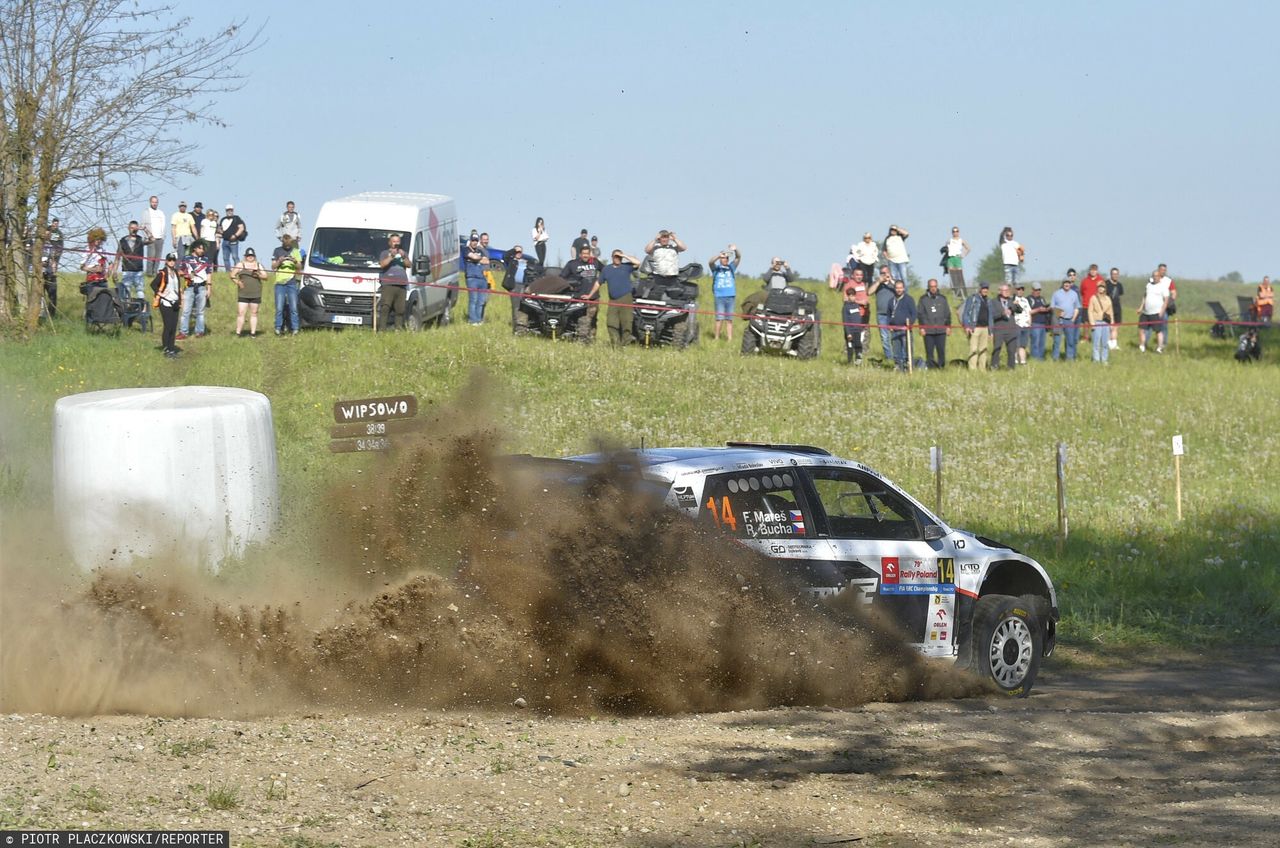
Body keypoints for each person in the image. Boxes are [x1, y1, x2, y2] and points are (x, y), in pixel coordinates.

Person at [561, 244, 604, 341]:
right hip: (577, 297)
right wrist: (570, 285)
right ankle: (579, 338)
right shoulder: (572, 264)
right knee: (580, 319)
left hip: (593, 298)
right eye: (583, 254)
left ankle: (591, 339)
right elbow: (562, 277)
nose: (585, 255)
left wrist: (601, 280)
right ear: (580, 254)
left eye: (587, 254)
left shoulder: (595, 262)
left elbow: (606, 272)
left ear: (590, 254)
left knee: (592, 320)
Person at [601, 249, 641, 345]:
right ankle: (615, 343)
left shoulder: (626, 267)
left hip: (626, 298)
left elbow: (638, 262)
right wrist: (589, 295)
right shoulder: (607, 269)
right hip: (613, 300)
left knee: (627, 323)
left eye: (619, 257)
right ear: (612, 257)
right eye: (616, 256)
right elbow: (598, 282)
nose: (618, 258)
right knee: (611, 323)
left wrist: (624, 255)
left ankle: (625, 344)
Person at [177, 240, 211, 339]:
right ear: (194, 248)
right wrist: (186, 274)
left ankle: (199, 331)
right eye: (200, 248)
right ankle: (183, 332)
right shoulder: (186, 258)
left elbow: (209, 274)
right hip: (189, 287)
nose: (202, 250)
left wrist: (209, 288)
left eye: (203, 248)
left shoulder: (206, 260)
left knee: (200, 311)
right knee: (186, 311)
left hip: (201, 287)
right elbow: (179, 272)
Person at [375, 233, 411, 329]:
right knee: (385, 307)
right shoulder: (385, 253)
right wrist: (391, 256)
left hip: (402, 284)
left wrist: (403, 256)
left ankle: (398, 330)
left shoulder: (403, 253)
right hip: (388, 284)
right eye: (394, 241)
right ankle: (382, 330)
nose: (396, 243)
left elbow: (409, 265)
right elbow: (382, 264)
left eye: (398, 242)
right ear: (389, 243)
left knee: (400, 309)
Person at [231, 248, 267, 337]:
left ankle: (253, 333)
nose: (250, 257)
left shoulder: (258, 265)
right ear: (245, 256)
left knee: (254, 313)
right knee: (241, 312)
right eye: (248, 256)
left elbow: (266, 277)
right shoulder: (240, 264)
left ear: (254, 256)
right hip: (243, 293)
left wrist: (258, 274)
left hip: (256, 293)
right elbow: (232, 275)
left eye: (252, 256)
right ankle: (238, 332)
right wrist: (238, 282)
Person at [152, 253, 182, 358]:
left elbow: (178, 287)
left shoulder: (176, 273)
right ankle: (166, 348)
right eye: (170, 260)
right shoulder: (162, 273)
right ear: (166, 261)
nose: (172, 262)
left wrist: (180, 300)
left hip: (175, 302)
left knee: (174, 327)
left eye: (173, 260)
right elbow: (153, 284)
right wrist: (160, 294)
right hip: (165, 302)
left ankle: (171, 348)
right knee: (168, 326)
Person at [272, 233, 302, 335]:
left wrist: (294, 261)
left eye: (289, 243)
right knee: (279, 307)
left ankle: (295, 328)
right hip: (280, 282)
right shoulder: (277, 250)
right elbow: (273, 266)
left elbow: (299, 267)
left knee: (293, 307)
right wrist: (279, 261)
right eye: (286, 243)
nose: (288, 245)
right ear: (283, 242)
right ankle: (278, 327)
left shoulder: (296, 251)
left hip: (292, 282)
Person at [917, 278, 951, 369]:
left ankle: (941, 368)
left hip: (941, 330)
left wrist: (948, 327)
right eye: (931, 286)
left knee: (941, 351)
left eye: (935, 286)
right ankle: (931, 368)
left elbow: (947, 313)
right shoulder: (923, 299)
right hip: (928, 331)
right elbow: (920, 314)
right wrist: (922, 328)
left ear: (937, 286)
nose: (933, 288)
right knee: (929, 352)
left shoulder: (943, 299)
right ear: (928, 287)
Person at [110, 220, 148, 301]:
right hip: (127, 270)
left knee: (140, 291)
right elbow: (118, 257)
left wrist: (145, 229)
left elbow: (152, 239)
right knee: (126, 291)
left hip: (138, 270)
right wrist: (115, 270)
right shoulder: (123, 241)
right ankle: (126, 308)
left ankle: (142, 308)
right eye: (132, 228)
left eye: (135, 228)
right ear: (128, 228)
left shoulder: (140, 240)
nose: (134, 230)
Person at [709, 246, 741, 341]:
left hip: (730, 296)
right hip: (719, 296)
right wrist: (719, 256)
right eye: (723, 258)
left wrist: (735, 250)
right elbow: (710, 262)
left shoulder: (731, 267)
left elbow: (738, 257)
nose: (725, 259)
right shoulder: (716, 269)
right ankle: (716, 338)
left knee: (729, 319)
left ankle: (730, 339)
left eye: (726, 258)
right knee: (719, 318)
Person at [961, 282, 993, 371]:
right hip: (974, 328)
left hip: (985, 328)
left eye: (986, 288)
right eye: (983, 288)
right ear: (980, 289)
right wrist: (967, 326)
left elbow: (990, 316)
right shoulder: (973, 299)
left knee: (984, 350)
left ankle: (982, 369)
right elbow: (966, 313)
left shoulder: (989, 301)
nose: (985, 290)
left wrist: (991, 331)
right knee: (973, 349)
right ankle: (972, 369)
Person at [840, 267, 869, 364]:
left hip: (862, 316)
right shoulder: (849, 285)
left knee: (860, 340)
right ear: (853, 275)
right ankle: (849, 360)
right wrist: (859, 302)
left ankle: (859, 358)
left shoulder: (863, 284)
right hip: (852, 317)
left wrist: (864, 304)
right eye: (857, 275)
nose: (859, 277)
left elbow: (865, 298)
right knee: (850, 342)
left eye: (861, 275)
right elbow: (845, 299)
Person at [1050, 272, 1082, 360]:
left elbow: (1077, 307)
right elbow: (1052, 307)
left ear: (1070, 284)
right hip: (1058, 320)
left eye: (1068, 283)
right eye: (1065, 283)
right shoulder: (1056, 293)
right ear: (1063, 284)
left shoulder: (1074, 294)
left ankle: (1070, 358)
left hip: (1069, 320)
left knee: (1070, 341)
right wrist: (1058, 312)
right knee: (1057, 341)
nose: (1067, 284)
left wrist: (1073, 319)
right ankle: (1055, 358)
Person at [1138, 268, 1170, 353]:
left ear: (1160, 277)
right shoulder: (1148, 285)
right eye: (1154, 276)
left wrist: (1162, 312)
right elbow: (1145, 296)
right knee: (1141, 329)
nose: (1155, 277)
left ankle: (1159, 347)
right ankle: (1142, 345)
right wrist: (1141, 307)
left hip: (1156, 312)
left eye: (1157, 276)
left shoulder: (1163, 287)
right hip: (1145, 312)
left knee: (1158, 331)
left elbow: (1166, 300)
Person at [501, 244, 532, 330]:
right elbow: (505, 256)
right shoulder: (511, 261)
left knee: (525, 306)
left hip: (524, 286)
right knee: (516, 306)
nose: (518, 253)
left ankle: (525, 324)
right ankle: (516, 326)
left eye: (520, 252)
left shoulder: (525, 261)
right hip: (514, 286)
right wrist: (514, 250)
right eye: (517, 252)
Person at [887, 280, 916, 371]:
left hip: (905, 329)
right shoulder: (891, 301)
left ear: (903, 288)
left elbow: (914, 314)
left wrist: (909, 325)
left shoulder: (909, 299)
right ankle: (898, 366)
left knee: (907, 349)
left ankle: (908, 366)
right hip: (894, 330)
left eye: (900, 288)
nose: (899, 290)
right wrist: (889, 325)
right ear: (894, 288)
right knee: (896, 349)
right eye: (897, 288)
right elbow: (888, 314)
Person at [991, 283, 1021, 370]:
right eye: (1004, 290)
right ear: (999, 291)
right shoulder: (993, 302)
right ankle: (994, 366)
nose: (1007, 292)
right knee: (997, 349)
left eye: (1008, 290)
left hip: (1011, 329)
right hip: (999, 329)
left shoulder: (1012, 300)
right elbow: (992, 316)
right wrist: (1002, 313)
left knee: (1012, 350)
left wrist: (1017, 305)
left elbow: (1019, 311)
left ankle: (1011, 368)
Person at [870, 265, 896, 359]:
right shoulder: (877, 283)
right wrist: (878, 282)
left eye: (886, 272)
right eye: (882, 273)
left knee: (895, 336)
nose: (884, 275)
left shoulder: (894, 283)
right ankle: (889, 357)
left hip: (893, 314)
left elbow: (901, 291)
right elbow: (869, 292)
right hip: (881, 314)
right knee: (885, 337)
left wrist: (891, 280)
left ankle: (897, 356)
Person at [463, 234, 489, 325]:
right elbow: (473, 257)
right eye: (473, 240)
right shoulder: (465, 250)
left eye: (476, 241)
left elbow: (486, 261)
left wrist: (477, 258)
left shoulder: (479, 251)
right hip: (472, 278)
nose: (474, 242)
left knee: (481, 301)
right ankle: (472, 320)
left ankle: (478, 320)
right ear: (470, 241)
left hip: (482, 278)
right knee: (473, 300)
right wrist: (478, 258)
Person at [1088, 281, 1114, 364]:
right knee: (1096, 342)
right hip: (1097, 322)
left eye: (1102, 287)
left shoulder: (1108, 299)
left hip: (1106, 322)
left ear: (1105, 288)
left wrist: (1112, 323)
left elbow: (1111, 312)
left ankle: (1104, 359)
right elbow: (1090, 311)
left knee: (1105, 342)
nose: (1101, 288)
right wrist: (1092, 323)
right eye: (1099, 287)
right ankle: (1096, 359)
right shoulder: (1093, 298)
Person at [218, 204, 246, 273]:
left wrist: (235, 236)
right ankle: (228, 271)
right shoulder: (223, 219)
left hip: (234, 240)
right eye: (228, 210)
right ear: (226, 211)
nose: (229, 212)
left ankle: (238, 271)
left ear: (233, 210)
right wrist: (220, 232)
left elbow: (241, 228)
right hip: (225, 240)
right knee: (225, 258)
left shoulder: (236, 218)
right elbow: (220, 229)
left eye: (231, 210)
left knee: (235, 256)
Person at [142, 196, 167, 273]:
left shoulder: (161, 213)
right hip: (151, 238)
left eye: (156, 202)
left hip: (160, 238)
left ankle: (155, 272)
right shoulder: (146, 212)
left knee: (158, 257)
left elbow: (164, 224)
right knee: (151, 256)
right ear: (150, 202)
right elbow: (143, 226)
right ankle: (149, 273)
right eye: (153, 202)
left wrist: (163, 236)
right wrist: (148, 236)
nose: (154, 204)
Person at [1027, 284, 1052, 360]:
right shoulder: (1029, 299)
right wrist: (1038, 309)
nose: (1038, 291)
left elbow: (1044, 307)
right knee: (1035, 342)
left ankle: (1041, 358)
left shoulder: (1042, 299)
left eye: (1039, 290)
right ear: (1032, 290)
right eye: (1036, 290)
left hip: (1043, 323)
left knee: (1042, 342)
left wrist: (1047, 309)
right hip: (1034, 323)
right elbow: (1028, 311)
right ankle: (1034, 358)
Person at [944, 226, 970, 297]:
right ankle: (955, 293)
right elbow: (945, 248)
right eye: (954, 231)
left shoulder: (961, 240)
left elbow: (968, 248)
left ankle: (963, 293)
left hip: (957, 258)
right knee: (952, 276)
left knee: (959, 276)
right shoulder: (949, 240)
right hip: (951, 259)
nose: (955, 233)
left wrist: (963, 255)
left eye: (957, 231)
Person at [1106, 267, 1125, 348]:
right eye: (1113, 274)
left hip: (1117, 308)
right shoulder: (1106, 283)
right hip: (1108, 308)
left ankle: (1114, 343)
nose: (1115, 275)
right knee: (1109, 326)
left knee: (1116, 326)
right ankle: (1108, 343)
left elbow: (1120, 295)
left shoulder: (1119, 285)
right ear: (1111, 275)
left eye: (1116, 274)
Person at [1013, 284, 1032, 365]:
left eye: (1022, 289)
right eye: (1018, 289)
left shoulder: (1025, 300)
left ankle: (1023, 361)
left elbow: (1029, 311)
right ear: (1016, 290)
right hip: (1017, 324)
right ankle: (1015, 360)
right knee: (1016, 344)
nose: (1020, 291)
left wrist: (1030, 321)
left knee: (1023, 345)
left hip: (1026, 325)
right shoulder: (1013, 300)